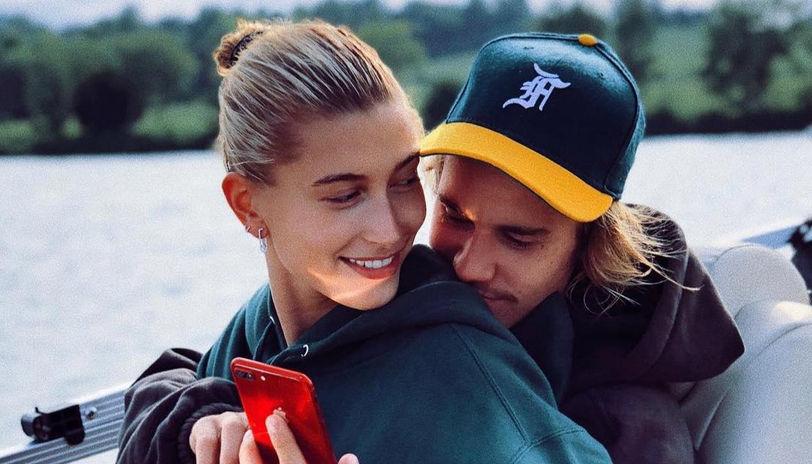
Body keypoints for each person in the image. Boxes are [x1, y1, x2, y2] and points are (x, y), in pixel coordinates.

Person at [115, 20, 610, 464]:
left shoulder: (468, 380)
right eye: (346, 195)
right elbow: (176, 383)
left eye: (404, 180)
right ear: (247, 205)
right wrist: (195, 424)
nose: (389, 229)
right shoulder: (263, 325)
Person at [418, 33, 745, 463]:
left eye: (518, 238)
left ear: (592, 246)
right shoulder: (405, 307)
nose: (469, 267)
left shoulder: (625, 433)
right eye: (455, 215)